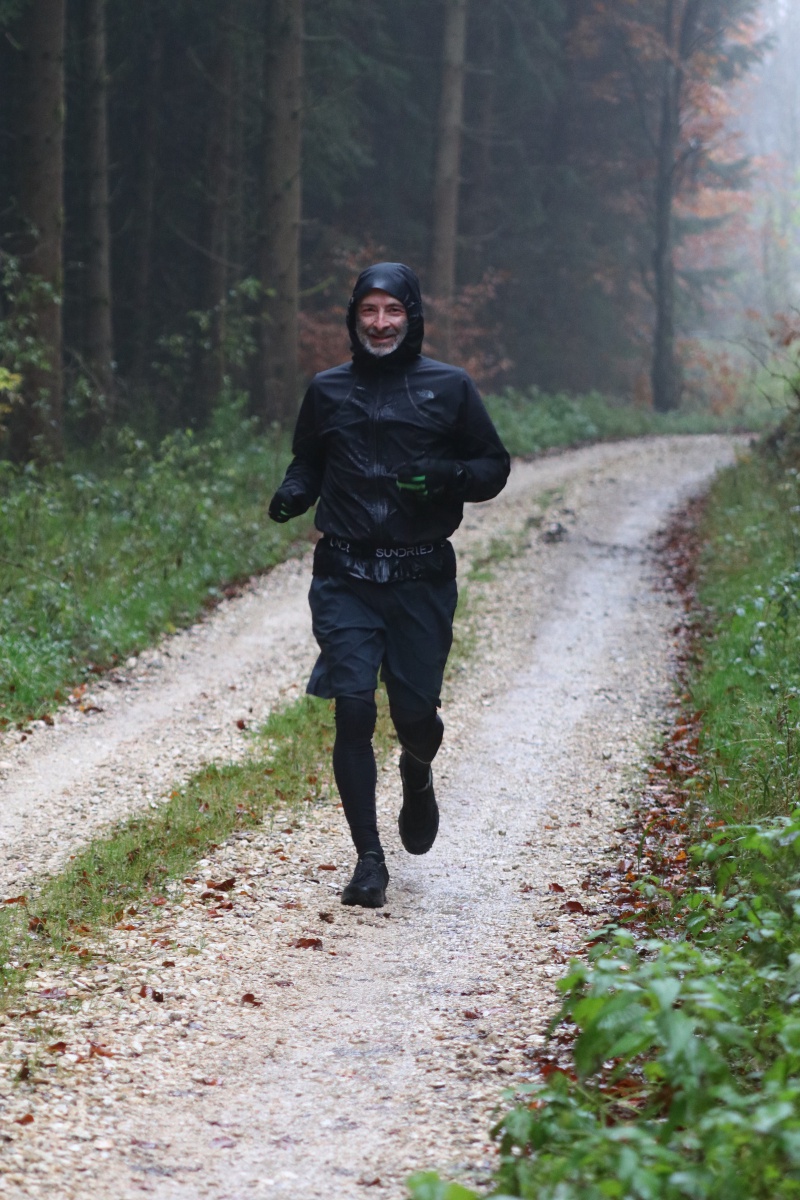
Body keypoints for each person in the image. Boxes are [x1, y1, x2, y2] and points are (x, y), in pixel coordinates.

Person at [268, 262, 510, 908]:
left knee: (415, 717)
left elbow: (493, 466)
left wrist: (448, 477)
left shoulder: (449, 388)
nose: (380, 324)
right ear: (354, 318)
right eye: (369, 311)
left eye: (392, 311)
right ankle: (369, 861)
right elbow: (309, 460)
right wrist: (294, 492)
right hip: (345, 573)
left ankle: (417, 767)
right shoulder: (327, 389)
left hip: (420, 578)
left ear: (412, 317)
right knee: (352, 707)